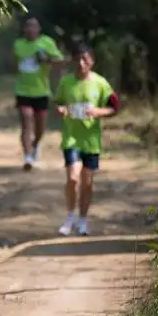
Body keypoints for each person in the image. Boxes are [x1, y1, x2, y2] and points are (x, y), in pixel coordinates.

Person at [53, 42, 120, 236]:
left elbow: (114, 107)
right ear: (74, 61)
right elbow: (59, 103)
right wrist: (61, 110)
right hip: (71, 137)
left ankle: (83, 220)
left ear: (92, 61)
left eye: (86, 60)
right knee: (72, 178)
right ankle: (69, 217)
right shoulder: (66, 82)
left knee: (87, 182)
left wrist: (97, 111)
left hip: (91, 139)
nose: (82, 63)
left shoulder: (100, 83)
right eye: (78, 59)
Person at [12, 16, 66, 171]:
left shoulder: (46, 43)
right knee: (26, 119)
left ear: (39, 29)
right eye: (27, 26)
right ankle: (28, 156)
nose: (30, 29)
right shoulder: (18, 45)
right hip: (22, 90)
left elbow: (60, 61)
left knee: (40, 126)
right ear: (24, 29)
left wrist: (46, 59)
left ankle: (35, 145)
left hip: (41, 91)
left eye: (34, 26)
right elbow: (15, 64)